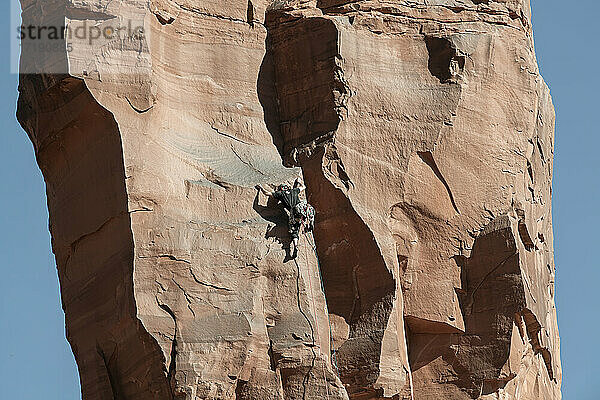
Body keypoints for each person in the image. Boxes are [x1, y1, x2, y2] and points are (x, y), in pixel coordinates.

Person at [257, 178, 314, 258]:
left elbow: (267, 193)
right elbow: (303, 186)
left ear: (281, 189)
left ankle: (296, 245)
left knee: (294, 231)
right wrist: (299, 181)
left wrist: (260, 188)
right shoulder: (294, 190)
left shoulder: (280, 194)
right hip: (300, 208)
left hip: (293, 213)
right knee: (309, 208)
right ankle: (311, 220)